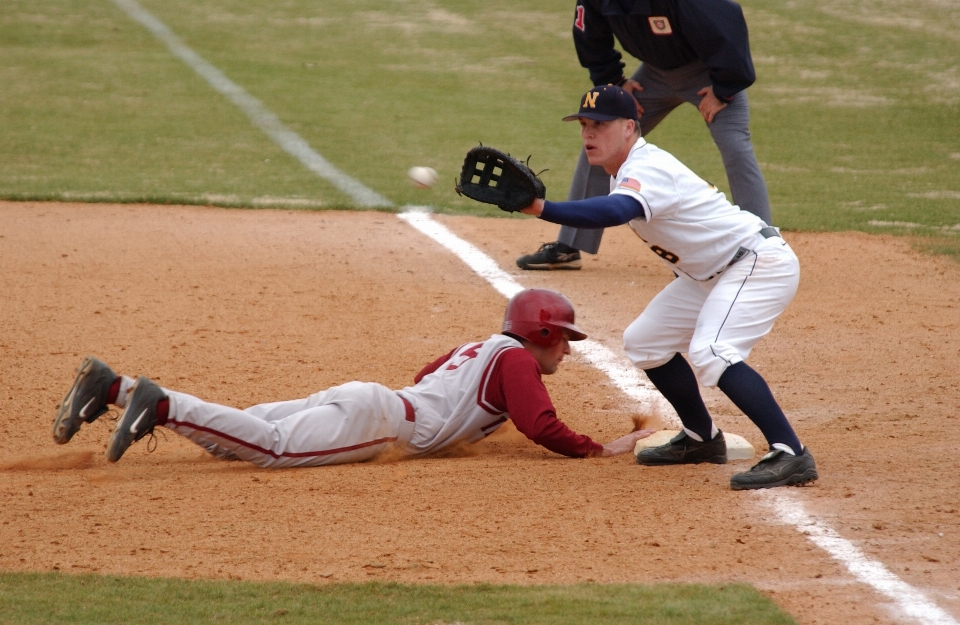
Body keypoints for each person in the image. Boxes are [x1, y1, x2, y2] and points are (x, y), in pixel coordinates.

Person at [515, 85, 817, 490]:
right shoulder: (622, 172)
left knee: (713, 351)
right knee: (646, 341)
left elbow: (617, 211)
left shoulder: (647, 167)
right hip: (709, 274)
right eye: (584, 124)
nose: (589, 134)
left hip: (755, 264)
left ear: (628, 128)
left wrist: (542, 208)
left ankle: (791, 452)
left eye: (600, 125)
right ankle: (700, 439)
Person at [52, 289, 653, 466]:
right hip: (382, 418)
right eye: (566, 340)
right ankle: (159, 406)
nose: (568, 353)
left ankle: (115, 388)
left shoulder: (480, 346)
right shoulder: (519, 361)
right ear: (542, 333)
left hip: (370, 398)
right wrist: (600, 447)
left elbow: (426, 375)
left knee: (248, 430)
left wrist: (471, 424)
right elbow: (540, 425)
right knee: (270, 449)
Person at [517, 0, 771, 270]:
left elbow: (728, 21)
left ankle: (763, 245)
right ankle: (569, 246)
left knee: (736, 148)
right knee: (601, 141)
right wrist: (615, 81)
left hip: (707, 75)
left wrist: (723, 90)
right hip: (653, 76)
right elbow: (589, 37)